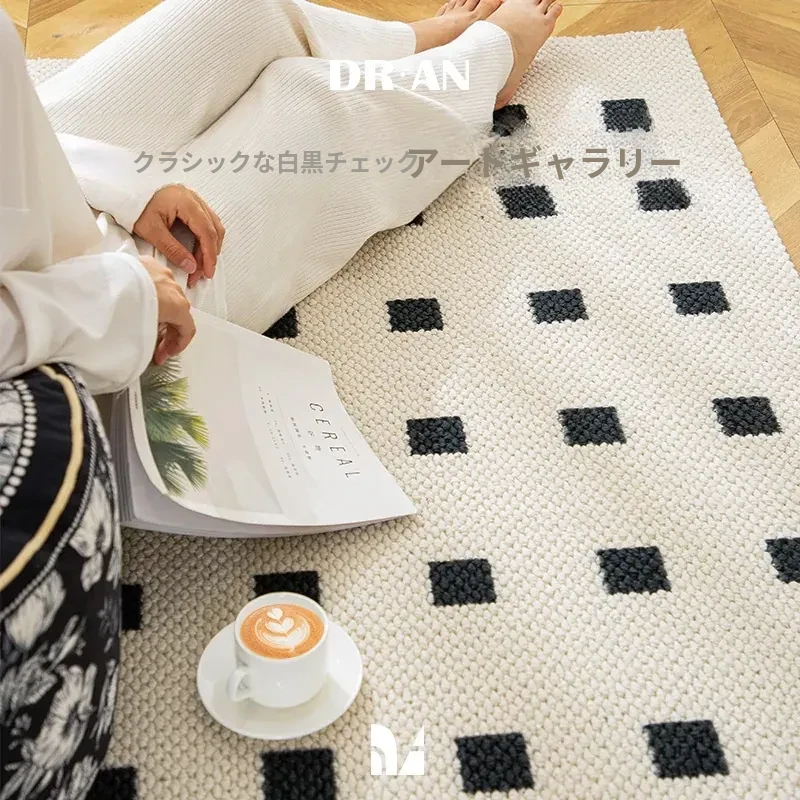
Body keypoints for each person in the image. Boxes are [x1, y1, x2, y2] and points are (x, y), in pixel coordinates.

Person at [0, 0, 560, 796]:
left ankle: (410, 48)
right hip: (56, 341)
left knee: (239, 13)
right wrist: (118, 295)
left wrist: (117, 181)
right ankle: (479, 68)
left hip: (31, 205)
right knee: (310, 108)